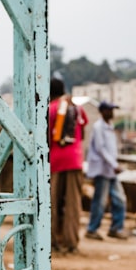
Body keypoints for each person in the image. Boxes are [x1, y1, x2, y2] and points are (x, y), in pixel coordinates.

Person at [48, 76, 87, 254]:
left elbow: (46, 138)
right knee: (73, 203)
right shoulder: (77, 108)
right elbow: (83, 132)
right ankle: (71, 243)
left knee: (53, 203)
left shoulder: (50, 110)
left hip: (56, 161)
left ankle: (53, 241)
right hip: (76, 160)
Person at [83, 100, 128, 240]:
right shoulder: (98, 128)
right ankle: (92, 229)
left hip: (110, 170)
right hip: (103, 170)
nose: (112, 113)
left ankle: (116, 228)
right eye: (109, 110)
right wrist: (114, 165)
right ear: (102, 111)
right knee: (100, 201)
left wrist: (114, 165)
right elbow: (101, 149)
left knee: (120, 199)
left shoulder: (109, 127)